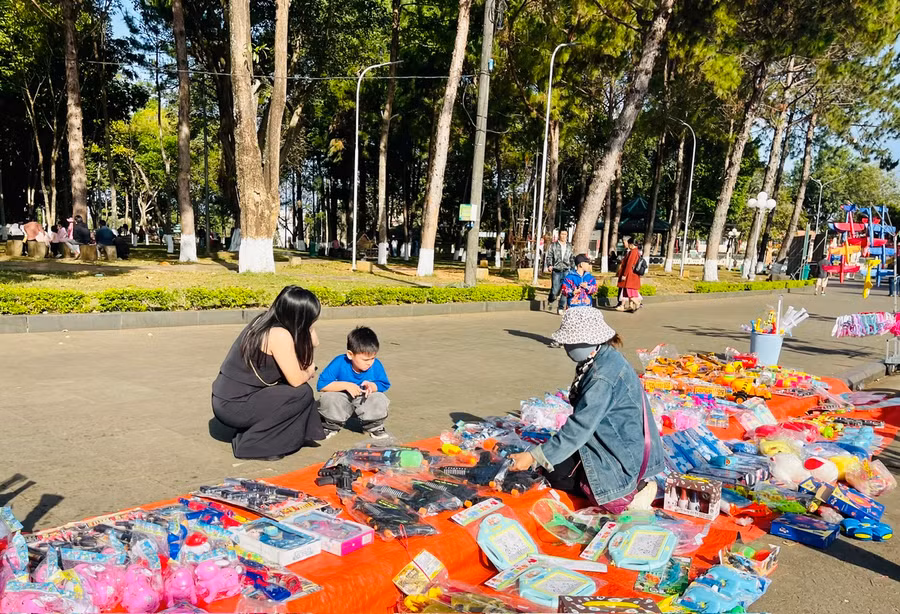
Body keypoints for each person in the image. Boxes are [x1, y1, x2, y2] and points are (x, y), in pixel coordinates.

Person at [509, 308, 664, 513]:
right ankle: (633, 484)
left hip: (621, 452)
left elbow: (580, 427)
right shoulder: (603, 357)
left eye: (568, 342)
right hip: (624, 444)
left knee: (555, 472)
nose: (565, 346)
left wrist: (533, 456)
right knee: (555, 462)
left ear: (585, 342)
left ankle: (630, 495)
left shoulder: (602, 376)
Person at [211, 286, 325, 460]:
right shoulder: (278, 335)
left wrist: (309, 331)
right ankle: (252, 443)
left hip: (225, 399)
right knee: (301, 393)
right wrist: (310, 369)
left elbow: (313, 342)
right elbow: (296, 379)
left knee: (296, 391)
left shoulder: (263, 321)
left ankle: (254, 433)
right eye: (310, 320)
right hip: (234, 406)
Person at [317, 326, 391, 440]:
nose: (370, 363)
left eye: (373, 358)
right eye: (365, 360)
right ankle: (331, 425)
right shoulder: (339, 362)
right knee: (328, 398)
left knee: (379, 398)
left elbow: (384, 384)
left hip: (364, 401)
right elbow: (322, 385)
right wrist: (345, 385)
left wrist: (372, 386)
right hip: (342, 400)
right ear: (350, 355)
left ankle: (375, 426)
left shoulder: (376, 365)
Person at [544, 230, 574, 315]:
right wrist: (550, 265)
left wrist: (573, 268)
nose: (564, 236)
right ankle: (551, 299)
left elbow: (571, 257)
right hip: (556, 270)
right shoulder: (553, 245)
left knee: (565, 290)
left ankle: (560, 308)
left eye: (565, 234)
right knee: (555, 290)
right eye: (562, 234)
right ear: (559, 235)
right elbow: (549, 256)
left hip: (566, 270)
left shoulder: (569, 246)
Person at [616, 236, 642, 312]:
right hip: (633, 275)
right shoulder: (636, 251)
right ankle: (631, 306)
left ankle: (637, 303)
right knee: (631, 291)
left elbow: (629, 264)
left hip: (630, 275)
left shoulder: (633, 252)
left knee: (629, 291)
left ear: (631, 244)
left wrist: (624, 275)